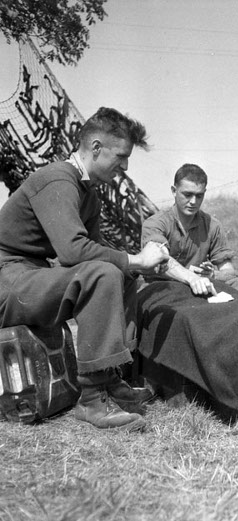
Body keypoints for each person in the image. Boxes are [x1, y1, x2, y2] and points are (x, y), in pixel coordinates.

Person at [0, 107, 171, 432]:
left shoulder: (88, 194)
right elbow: (73, 251)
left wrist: (132, 265)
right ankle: (91, 401)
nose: (125, 166)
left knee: (117, 273)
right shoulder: (56, 179)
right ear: (95, 147)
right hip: (6, 280)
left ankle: (107, 377)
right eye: (120, 156)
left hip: (27, 278)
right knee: (106, 273)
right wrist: (137, 258)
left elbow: (90, 257)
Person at [141, 163, 238, 294]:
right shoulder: (155, 223)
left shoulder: (212, 225)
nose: (193, 201)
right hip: (164, 287)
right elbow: (159, 259)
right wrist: (190, 277)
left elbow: (228, 270)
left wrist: (212, 274)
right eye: (187, 195)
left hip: (200, 285)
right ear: (174, 191)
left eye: (199, 196)